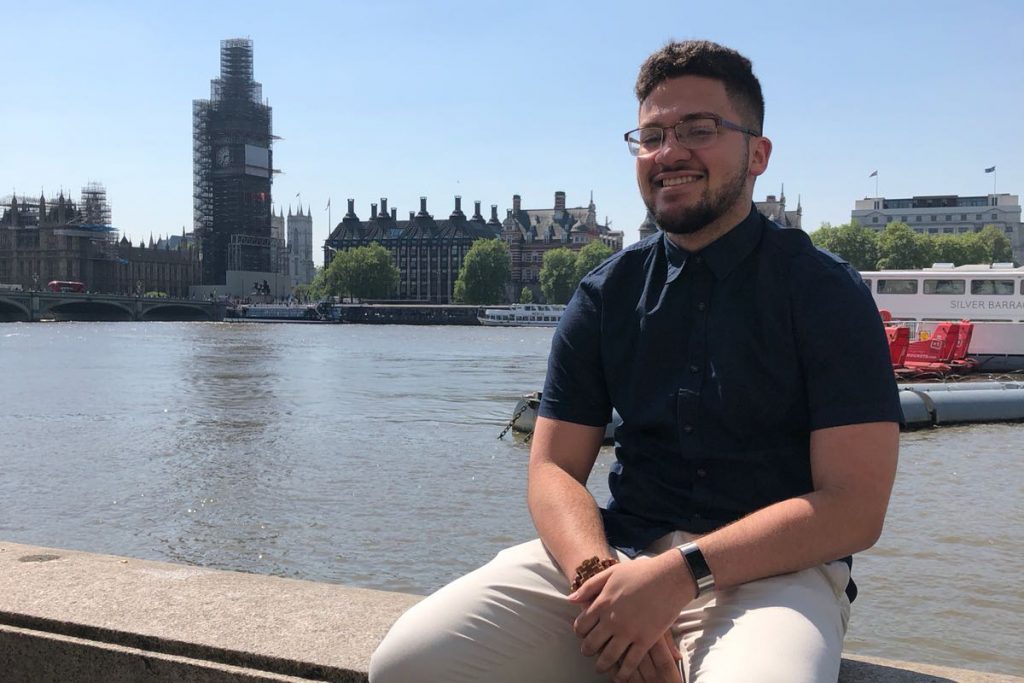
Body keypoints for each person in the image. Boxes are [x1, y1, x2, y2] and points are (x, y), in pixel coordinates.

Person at [370, 39, 901, 683]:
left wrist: (678, 576)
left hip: (775, 575)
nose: (670, 152)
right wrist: (602, 580)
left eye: (698, 130)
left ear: (758, 154)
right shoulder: (604, 295)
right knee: (408, 665)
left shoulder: (825, 293)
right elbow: (554, 469)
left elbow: (854, 506)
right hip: (617, 555)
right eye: (651, 136)